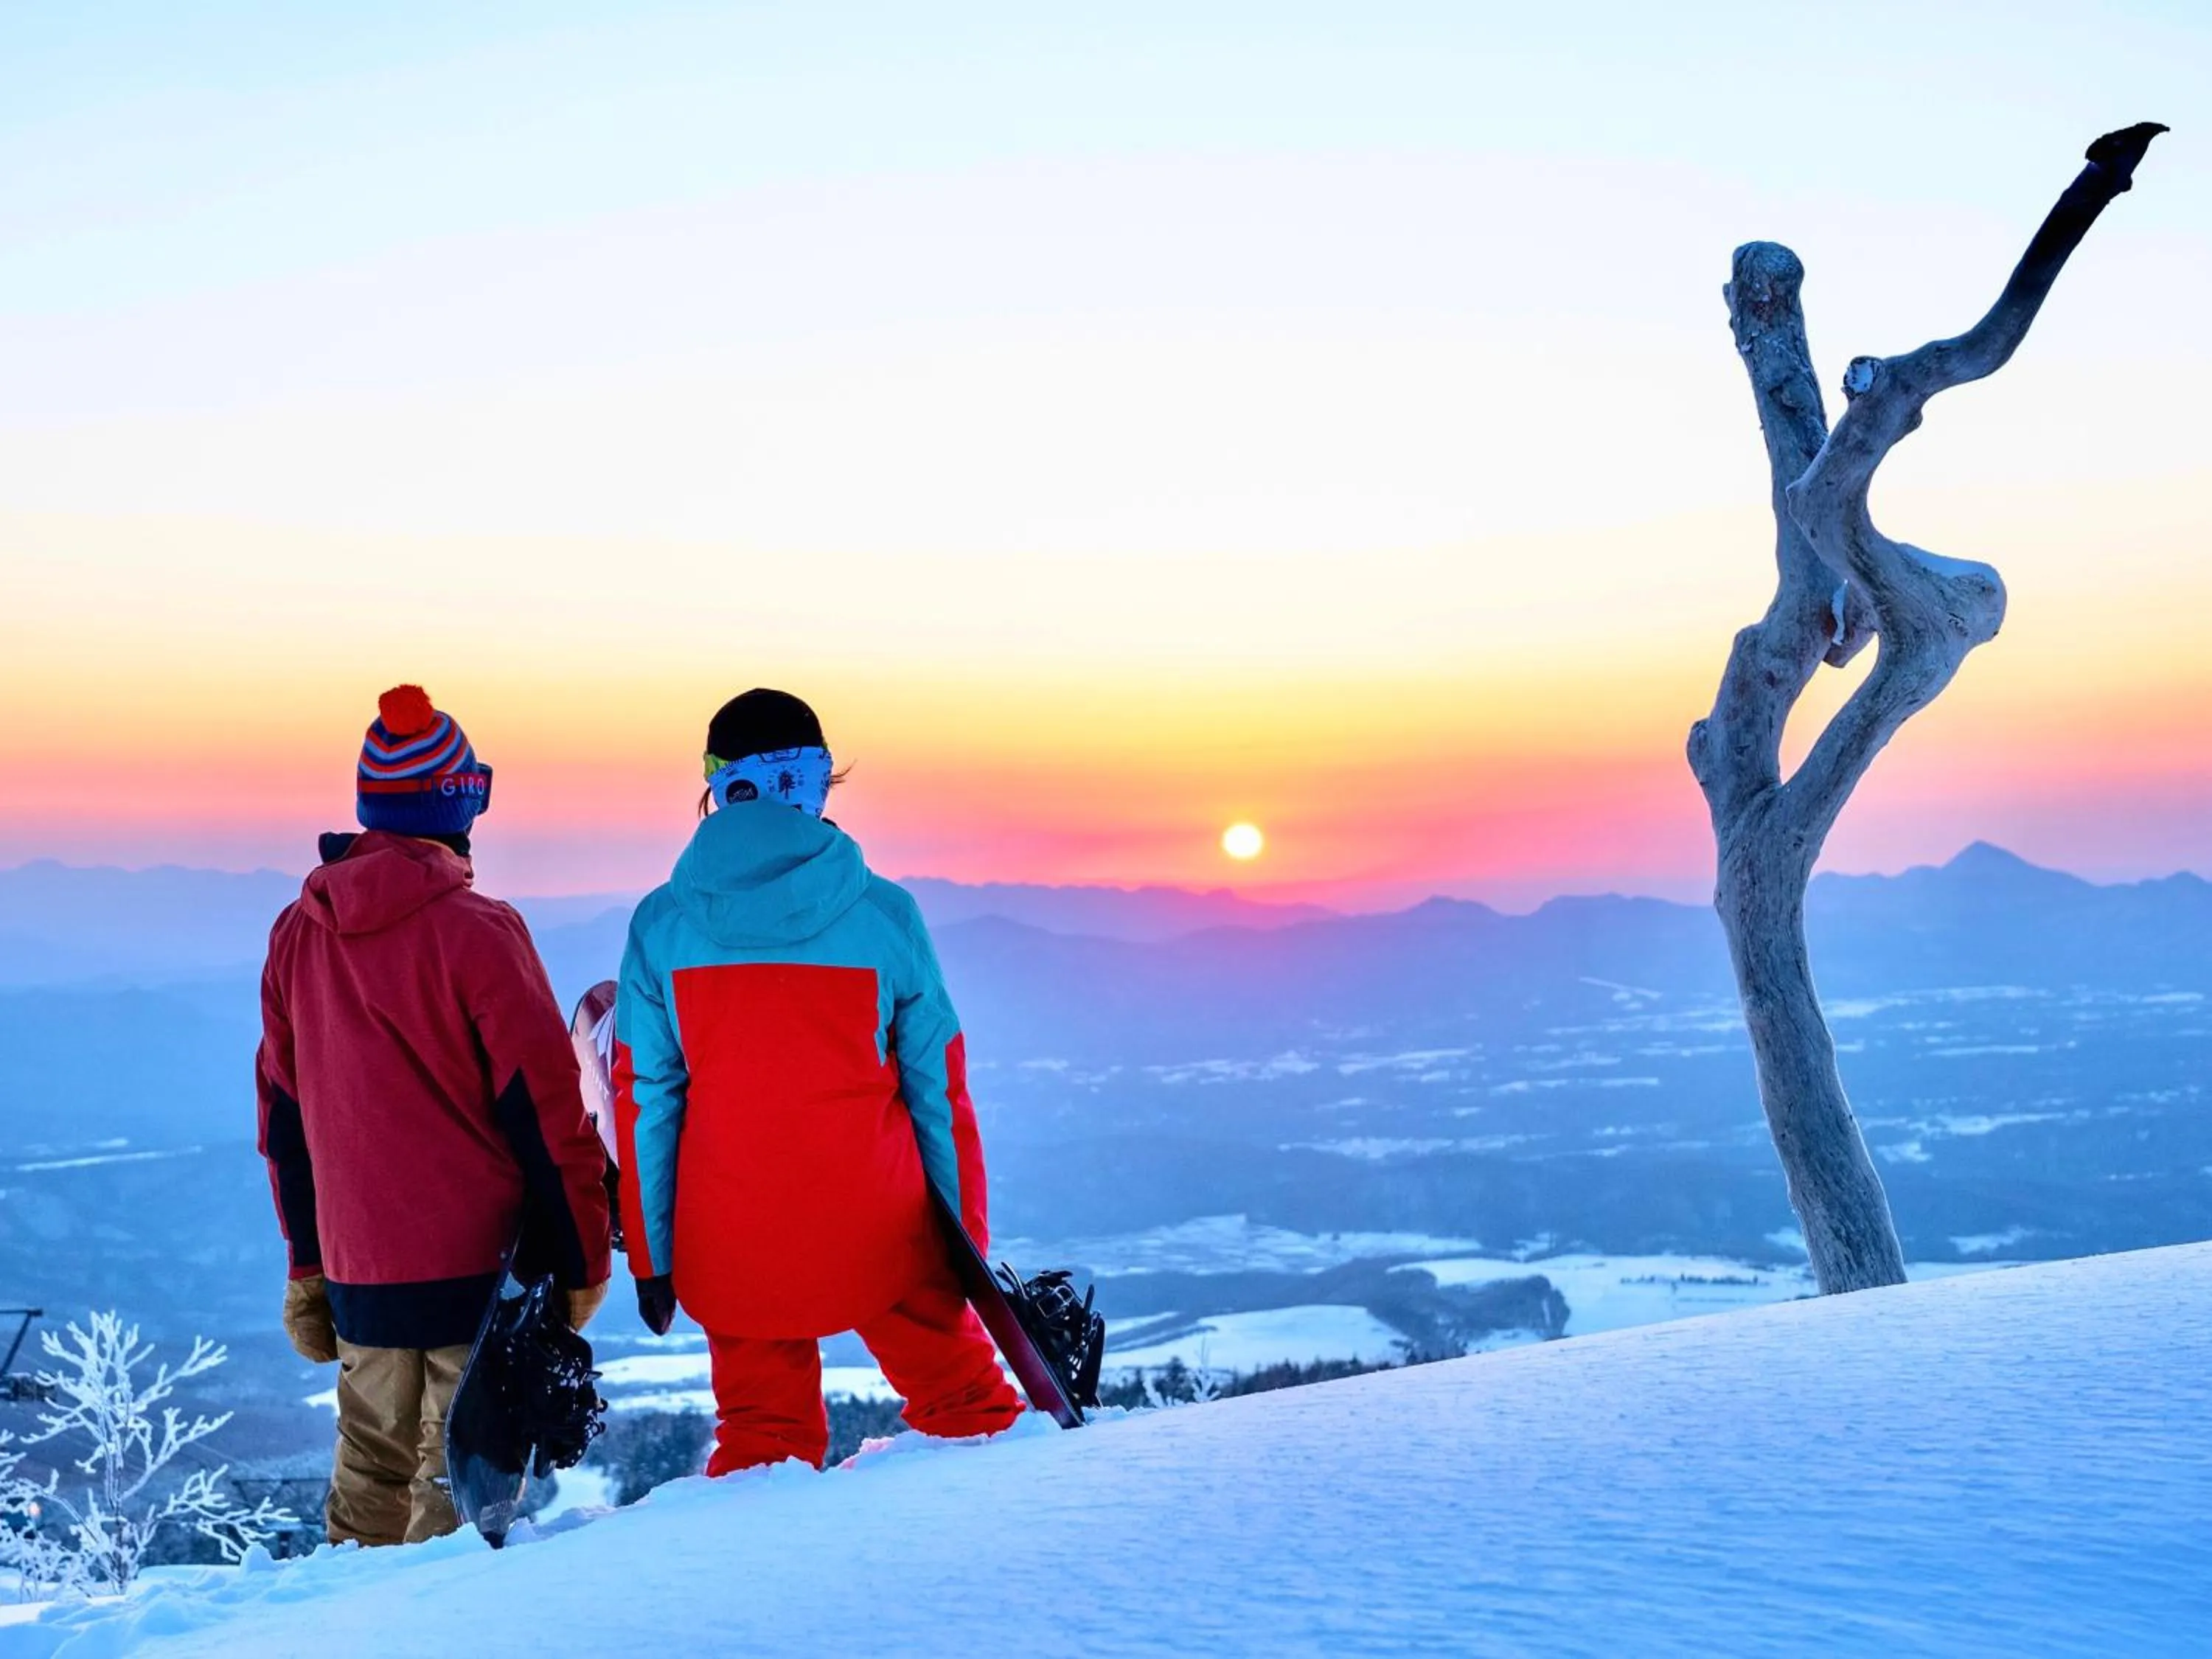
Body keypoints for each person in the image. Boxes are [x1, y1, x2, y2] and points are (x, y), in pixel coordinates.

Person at [615, 688, 1023, 1473]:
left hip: (729, 1236)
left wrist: (653, 1258)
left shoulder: (661, 923)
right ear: (815, 784)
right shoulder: (884, 915)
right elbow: (938, 1092)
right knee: (972, 1416)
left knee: (762, 1444)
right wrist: (964, 1243)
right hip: (883, 1225)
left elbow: (646, 1105)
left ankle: (762, 1589)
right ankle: (997, 1575)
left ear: (718, 786)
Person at [256, 685, 612, 1546]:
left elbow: (283, 1119)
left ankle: (353, 1634)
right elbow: (548, 1113)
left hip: (358, 1276)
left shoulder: (299, 934)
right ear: (460, 804)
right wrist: (579, 1260)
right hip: (475, 1281)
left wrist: (309, 1265)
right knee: (457, 1498)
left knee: (370, 1481)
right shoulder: (480, 931)